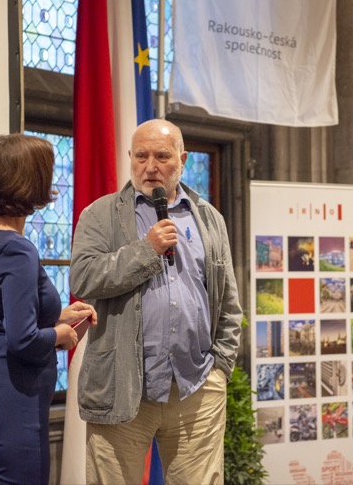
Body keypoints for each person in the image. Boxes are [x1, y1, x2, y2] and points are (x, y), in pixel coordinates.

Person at [70, 119, 243, 484]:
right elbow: (83, 278)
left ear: (182, 159)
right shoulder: (100, 214)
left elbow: (228, 300)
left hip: (196, 388)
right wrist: (147, 250)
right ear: (130, 158)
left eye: (162, 156)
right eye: (141, 156)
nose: (150, 167)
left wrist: (220, 368)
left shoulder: (209, 218)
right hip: (122, 388)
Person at [0, 134, 97, 484]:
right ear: (30, 181)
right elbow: (22, 340)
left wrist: (60, 315)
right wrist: (62, 335)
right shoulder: (15, 249)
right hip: (14, 401)